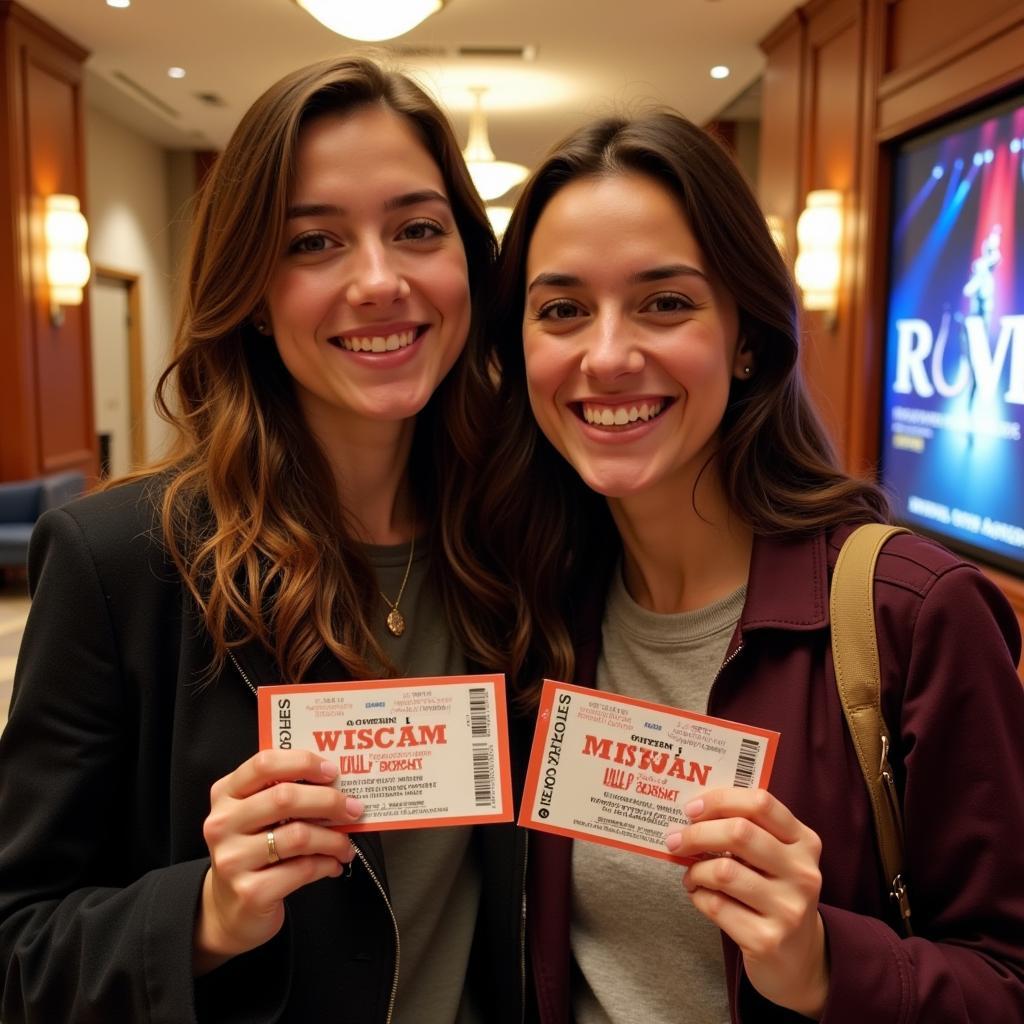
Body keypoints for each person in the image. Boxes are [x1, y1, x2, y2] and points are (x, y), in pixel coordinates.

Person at [0, 56, 523, 1023]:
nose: (380, 281)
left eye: (417, 229)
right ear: (248, 290)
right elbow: (15, 945)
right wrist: (205, 913)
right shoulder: (120, 561)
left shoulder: (520, 542)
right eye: (315, 242)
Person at [484, 112, 1024, 1022]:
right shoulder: (528, 603)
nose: (608, 355)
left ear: (746, 340)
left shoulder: (913, 613)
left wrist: (823, 965)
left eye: (665, 302)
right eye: (563, 309)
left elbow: (1007, 980)